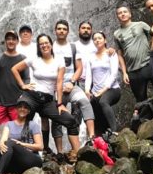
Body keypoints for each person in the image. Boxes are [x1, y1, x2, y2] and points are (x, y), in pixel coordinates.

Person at [11, 34, 80, 163]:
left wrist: (59, 104)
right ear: (38, 46)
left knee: (70, 120)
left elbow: (59, 83)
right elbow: (14, 69)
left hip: (47, 100)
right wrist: (23, 85)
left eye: (46, 42)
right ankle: (22, 152)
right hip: (32, 96)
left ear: (51, 44)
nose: (44, 45)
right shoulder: (34, 59)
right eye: (41, 43)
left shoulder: (59, 61)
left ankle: (78, 154)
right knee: (24, 111)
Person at [51, 19, 97, 148]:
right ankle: (59, 151)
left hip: (71, 86)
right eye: (59, 29)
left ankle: (92, 137)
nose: (61, 31)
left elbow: (79, 68)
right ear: (55, 31)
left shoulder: (73, 47)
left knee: (85, 102)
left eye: (64, 29)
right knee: (57, 117)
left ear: (68, 31)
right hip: (55, 88)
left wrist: (71, 82)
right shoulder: (50, 47)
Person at [0, 99, 42, 174]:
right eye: (20, 107)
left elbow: (40, 146)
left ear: (28, 111)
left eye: (25, 107)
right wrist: (1, 143)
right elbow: (3, 139)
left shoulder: (33, 124)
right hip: (16, 163)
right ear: (16, 109)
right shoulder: (9, 124)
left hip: (32, 159)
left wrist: (22, 144)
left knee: (11, 142)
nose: (22, 109)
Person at [113, 5, 153, 103]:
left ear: (130, 14)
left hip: (147, 64)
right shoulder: (116, 34)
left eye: (125, 12)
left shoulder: (141, 24)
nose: (122, 14)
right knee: (140, 100)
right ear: (117, 17)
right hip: (132, 71)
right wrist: (124, 73)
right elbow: (120, 54)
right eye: (119, 13)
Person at [84, 31, 121, 135]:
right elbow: (88, 76)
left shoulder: (111, 54)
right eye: (95, 39)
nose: (97, 40)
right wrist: (87, 90)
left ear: (105, 40)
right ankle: (100, 135)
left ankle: (114, 131)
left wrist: (104, 89)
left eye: (99, 38)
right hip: (96, 92)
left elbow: (114, 74)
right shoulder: (90, 57)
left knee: (103, 102)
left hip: (112, 89)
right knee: (92, 107)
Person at [0, 30, 29, 124]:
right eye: (8, 39)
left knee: (17, 129)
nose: (11, 41)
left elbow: (27, 79)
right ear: (5, 41)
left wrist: (23, 96)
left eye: (13, 39)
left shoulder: (23, 58)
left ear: (17, 41)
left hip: (17, 103)